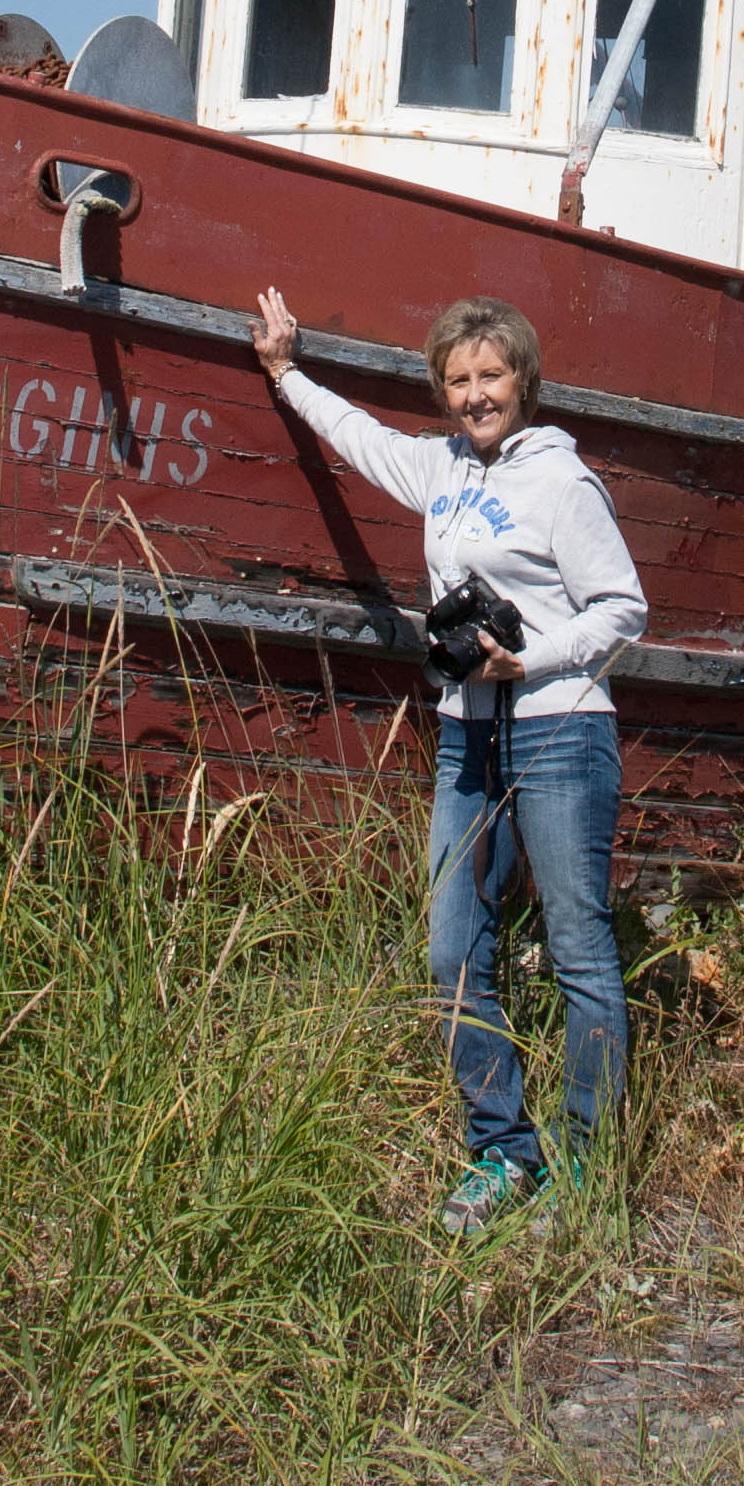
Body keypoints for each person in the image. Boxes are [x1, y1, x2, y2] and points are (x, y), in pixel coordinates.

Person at [250, 281, 647, 1235]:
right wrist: (285, 371)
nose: (476, 395)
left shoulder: (563, 482)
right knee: (453, 947)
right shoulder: (441, 468)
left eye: (491, 376)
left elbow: (623, 607)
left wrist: (529, 658)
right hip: (467, 730)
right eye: (459, 380)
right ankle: (503, 1150)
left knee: (579, 948)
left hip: (558, 728)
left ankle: (587, 1167)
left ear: (523, 380)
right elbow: (357, 435)